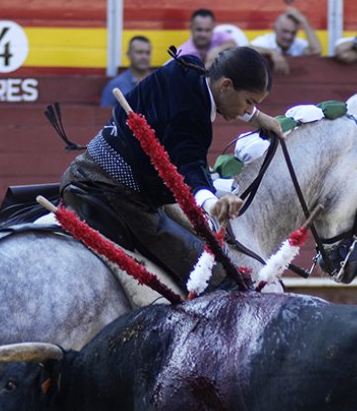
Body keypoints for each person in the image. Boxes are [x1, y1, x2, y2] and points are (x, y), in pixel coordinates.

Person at [58, 47, 284, 288]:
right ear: (225, 85)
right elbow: (189, 165)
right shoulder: (192, 118)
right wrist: (212, 204)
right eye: (249, 102)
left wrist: (256, 117)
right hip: (116, 194)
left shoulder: (187, 65)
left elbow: (188, 115)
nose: (248, 109)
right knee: (216, 275)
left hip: (84, 170)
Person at [249, 7, 323, 75]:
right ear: (275, 29)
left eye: (293, 33)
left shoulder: (297, 43)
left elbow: (316, 51)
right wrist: (271, 52)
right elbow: (245, 51)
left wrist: (304, 21)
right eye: (285, 31)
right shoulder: (266, 40)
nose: (288, 37)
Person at [100, 36, 153, 107]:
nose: (144, 57)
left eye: (147, 53)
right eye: (139, 52)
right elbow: (104, 114)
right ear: (128, 54)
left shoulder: (159, 81)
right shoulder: (116, 85)